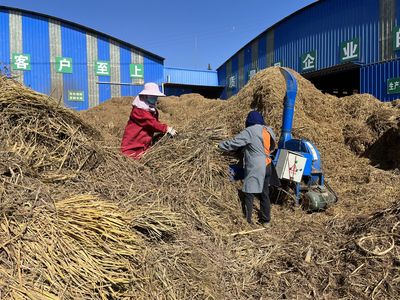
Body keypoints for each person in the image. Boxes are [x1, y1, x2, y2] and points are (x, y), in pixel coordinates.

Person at [218, 111, 277, 226]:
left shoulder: (250, 131)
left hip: (256, 165)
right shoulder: (268, 130)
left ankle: (247, 220)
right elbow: (272, 146)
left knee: (249, 191)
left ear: (249, 121)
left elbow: (234, 143)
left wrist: (219, 146)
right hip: (268, 164)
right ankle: (266, 221)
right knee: (264, 193)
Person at [121, 82, 177, 159]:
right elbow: (151, 123)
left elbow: (155, 123)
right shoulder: (139, 110)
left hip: (144, 143)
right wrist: (166, 128)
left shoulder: (151, 110)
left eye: (155, 96)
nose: (155, 98)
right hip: (133, 144)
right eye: (152, 96)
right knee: (130, 160)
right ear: (145, 96)